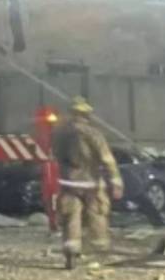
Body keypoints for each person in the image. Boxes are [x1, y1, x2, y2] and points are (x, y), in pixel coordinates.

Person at [52, 96, 123, 270]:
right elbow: (107, 158)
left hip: (69, 181)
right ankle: (100, 248)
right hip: (91, 182)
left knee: (71, 216)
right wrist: (116, 181)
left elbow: (56, 155)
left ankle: (71, 252)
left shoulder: (60, 133)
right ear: (87, 114)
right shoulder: (94, 133)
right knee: (97, 212)